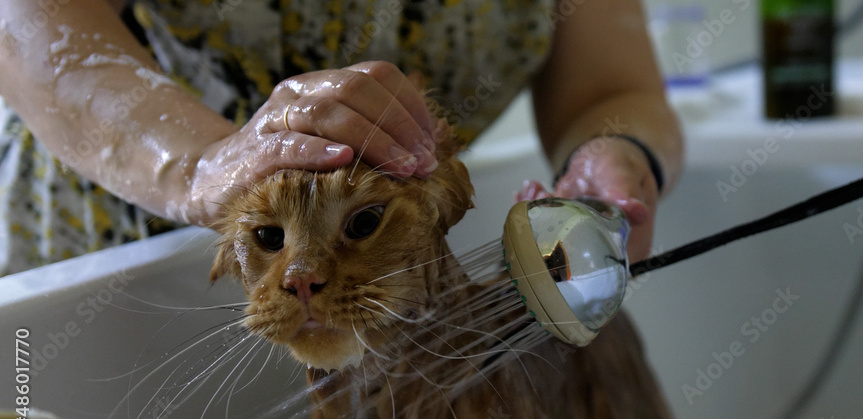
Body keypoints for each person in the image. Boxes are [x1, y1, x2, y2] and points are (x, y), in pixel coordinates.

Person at [0, 0, 682, 276]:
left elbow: (609, 92)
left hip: (388, 290)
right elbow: (31, 30)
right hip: (109, 274)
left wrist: (619, 153)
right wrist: (197, 165)